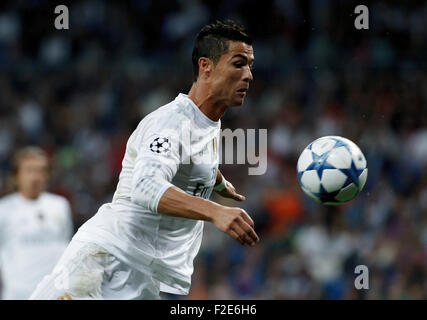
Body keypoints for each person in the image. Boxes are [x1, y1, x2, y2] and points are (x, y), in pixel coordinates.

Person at [29, 19, 259, 300]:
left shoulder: (208, 121)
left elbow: (186, 159)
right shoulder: (172, 122)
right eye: (238, 63)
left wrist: (217, 181)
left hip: (146, 278)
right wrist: (215, 211)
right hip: (106, 264)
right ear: (206, 67)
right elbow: (147, 187)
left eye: (250, 65)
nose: (248, 75)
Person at [0, 147, 73, 300]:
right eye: (29, 170)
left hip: (55, 292)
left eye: (41, 170)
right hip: (18, 293)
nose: (35, 177)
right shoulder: (4, 209)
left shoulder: (60, 205)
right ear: (16, 175)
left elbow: (67, 246)